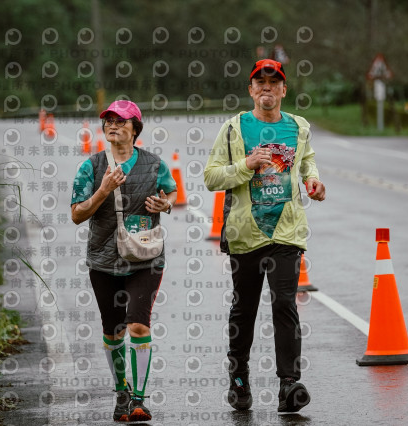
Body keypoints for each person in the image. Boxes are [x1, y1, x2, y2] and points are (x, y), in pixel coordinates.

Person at [204, 59, 326, 413]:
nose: (267, 88)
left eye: (274, 83)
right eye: (260, 83)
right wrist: (246, 165)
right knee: (245, 308)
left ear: (284, 90)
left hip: (287, 231)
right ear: (251, 90)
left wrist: (313, 181)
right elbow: (212, 177)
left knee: (285, 303)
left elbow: (307, 163)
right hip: (245, 233)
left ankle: (289, 384)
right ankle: (239, 377)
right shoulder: (234, 128)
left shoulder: (298, 128)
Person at [71, 100, 177, 422]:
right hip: (104, 261)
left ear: (135, 129)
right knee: (114, 331)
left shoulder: (154, 164)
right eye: (109, 121)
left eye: (121, 120)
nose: (113, 125)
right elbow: (77, 214)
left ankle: (140, 401)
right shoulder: (90, 167)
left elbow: (171, 193)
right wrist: (103, 190)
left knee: (138, 324)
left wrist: (164, 204)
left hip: (146, 258)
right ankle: (121, 391)